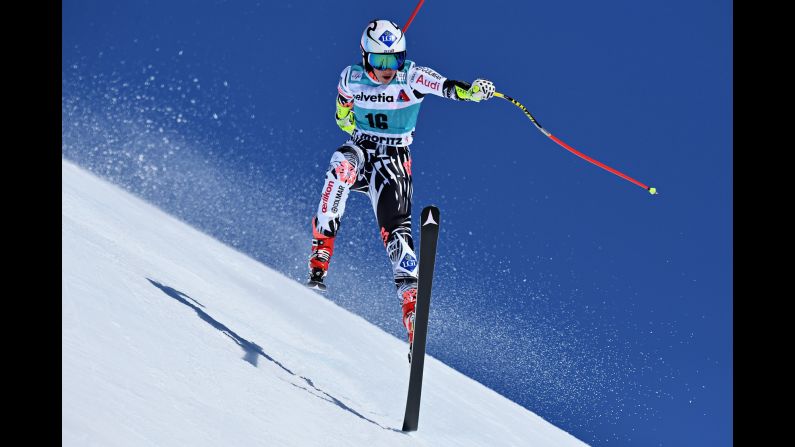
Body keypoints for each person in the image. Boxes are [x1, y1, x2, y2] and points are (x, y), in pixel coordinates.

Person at [307, 18, 495, 359]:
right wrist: (348, 120)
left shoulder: (412, 76)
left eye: (393, 60)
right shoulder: (351, 77)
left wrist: (474, 92)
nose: (386, 70)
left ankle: (411, 312)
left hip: (393, 160)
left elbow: (448, 87)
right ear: (365, 58)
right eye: (379, 61)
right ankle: (322, 249)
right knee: (340, 168)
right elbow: (342, 111)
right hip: (362, 148)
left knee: (398, 239)